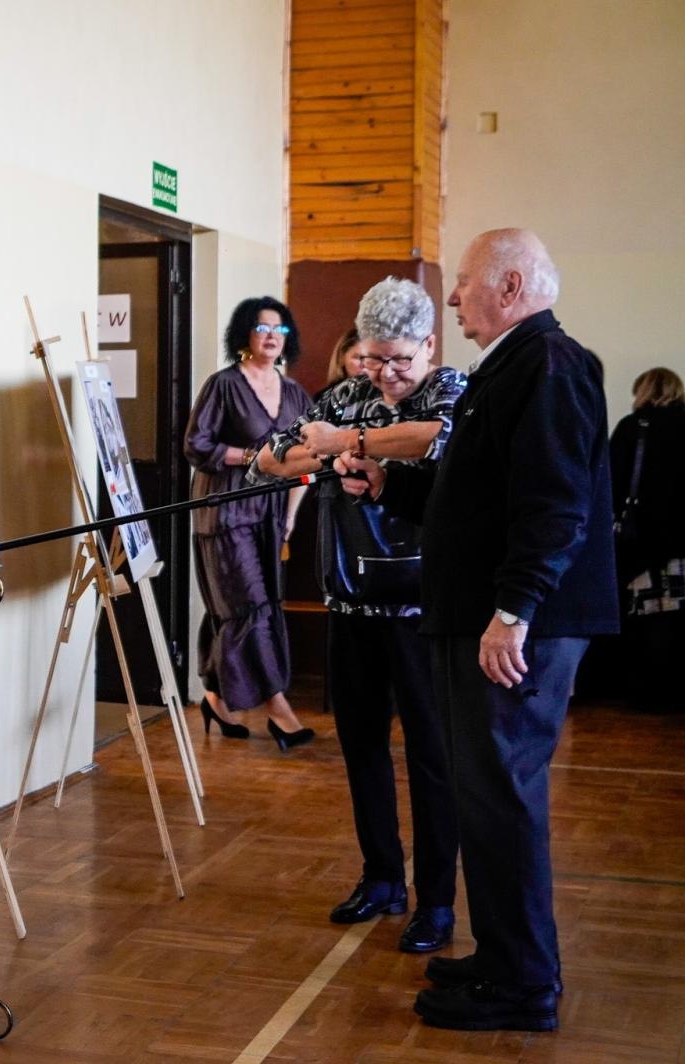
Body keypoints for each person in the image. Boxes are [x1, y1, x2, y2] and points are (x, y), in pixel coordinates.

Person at [337, 229, 617, 1032]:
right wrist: (389, 484)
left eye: (462, 284)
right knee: (487, 798)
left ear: (513, 283)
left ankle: (524, 984)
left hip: (517, 626)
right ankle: (504, 960)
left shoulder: (552, 366)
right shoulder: (517, 366)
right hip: (485, 617)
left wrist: (513, 611)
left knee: (504, 799)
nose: (453, 298)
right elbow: (480, 503)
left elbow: (556, 506)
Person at [257, 278, 464, 953]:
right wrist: (324, 447)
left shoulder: (450, 389)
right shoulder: (345, 393)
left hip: (425, 609)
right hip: (350, 601)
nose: (387, 374)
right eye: (374, 359)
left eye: (401, 359)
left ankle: (436, 900)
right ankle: (382, 877)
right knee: (362, 747)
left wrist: (354, 441)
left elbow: (435, 440)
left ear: (430, 345)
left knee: (433, 758)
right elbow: (270, 456)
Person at [184, 297, 314, 749]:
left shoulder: (296, 394)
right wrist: (250, 458)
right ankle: (279, 711)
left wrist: (291, 518)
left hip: (272, 516)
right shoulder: (223, 385)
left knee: (241, 607)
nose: (272, 336)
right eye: (262, 328)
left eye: (281, 330)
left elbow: (306, 458)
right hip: (225, 511)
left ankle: (216, 700)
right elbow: (197, 446)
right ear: (245, 335)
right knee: (249, 606)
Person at [609, 367, 685, 712]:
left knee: (648, 616)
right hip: (681, 542)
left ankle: (645, 694)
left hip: (643, 542)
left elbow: (611, 483)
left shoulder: (632, 427)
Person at [317, 326, 366, 399]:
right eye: (360, 358)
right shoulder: (324, 400)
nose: (366, 364)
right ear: (342, 358)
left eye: (374, 358)